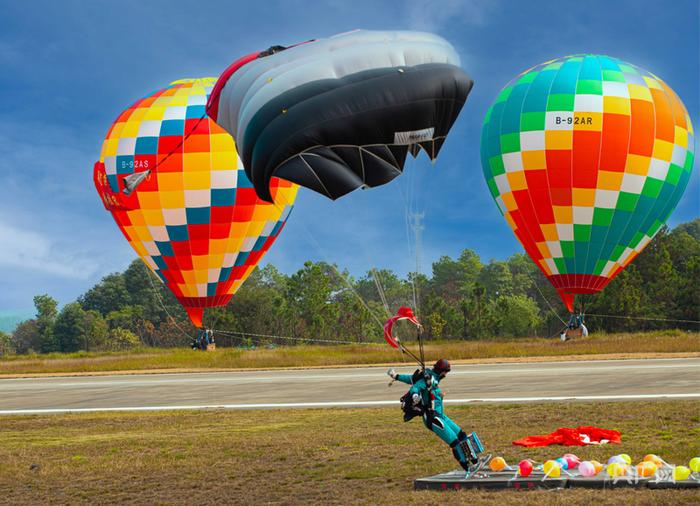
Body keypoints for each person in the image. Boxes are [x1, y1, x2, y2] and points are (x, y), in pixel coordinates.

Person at [388, 359, 484, 472]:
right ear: (441, 371)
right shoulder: (428, 379)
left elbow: (411, 379)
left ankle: (475, 461)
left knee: (462, 435)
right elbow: (416, 387)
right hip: (432, 417)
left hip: (441, 415)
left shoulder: (433, 378)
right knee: (455, 442)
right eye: (445, 372)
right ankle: (468, 468)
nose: (446, 375)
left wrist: (396, 376)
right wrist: (415, 395)